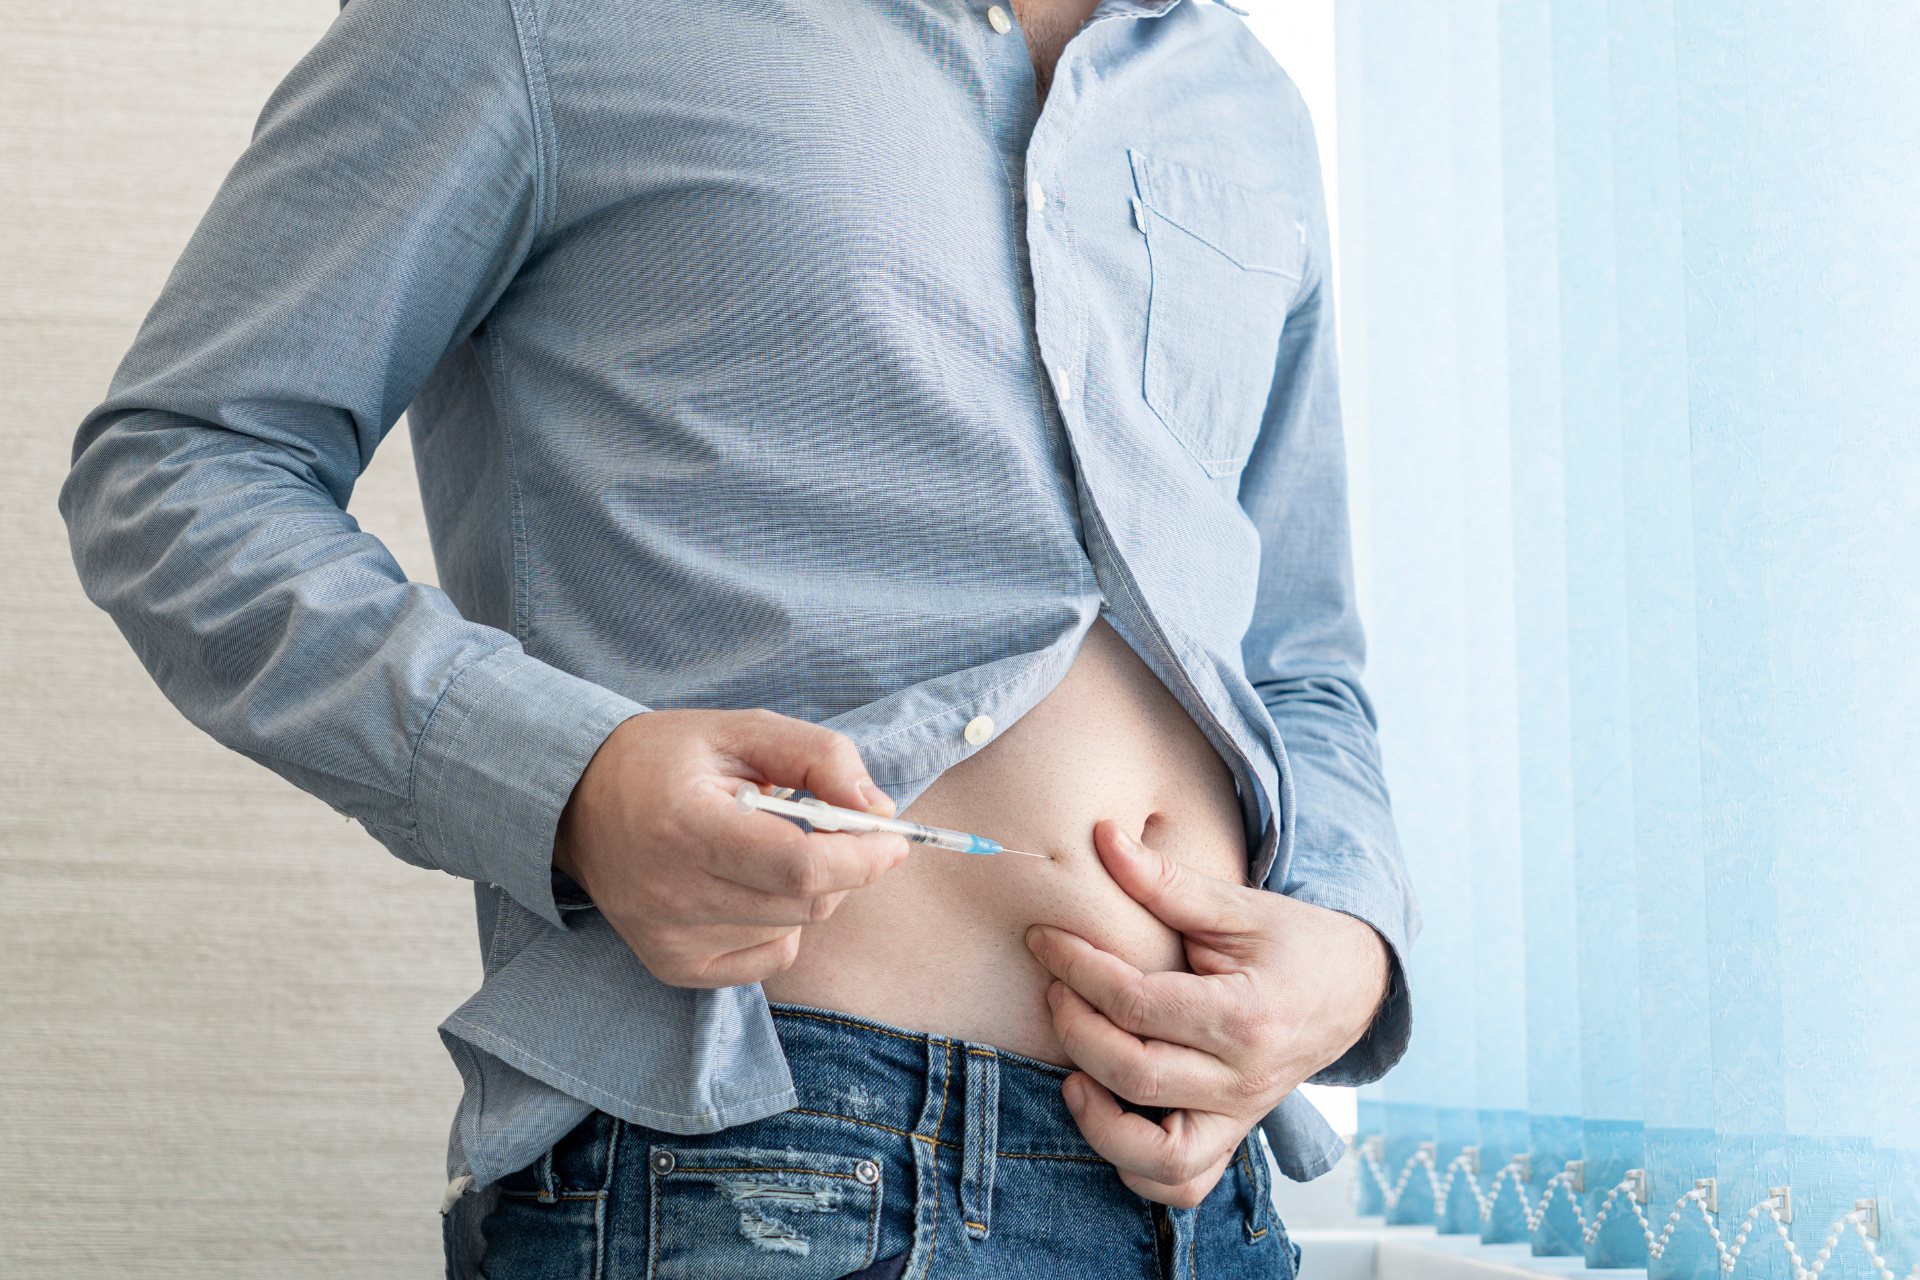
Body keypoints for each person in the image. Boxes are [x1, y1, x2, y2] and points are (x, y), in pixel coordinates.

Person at [60, 0, 1419, 1274]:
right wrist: (569, 784)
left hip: (1214, 1204)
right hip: (768, 1166)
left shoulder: (1238, 93)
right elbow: (182, 471)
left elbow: (1293, 660)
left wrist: (1348, 957)